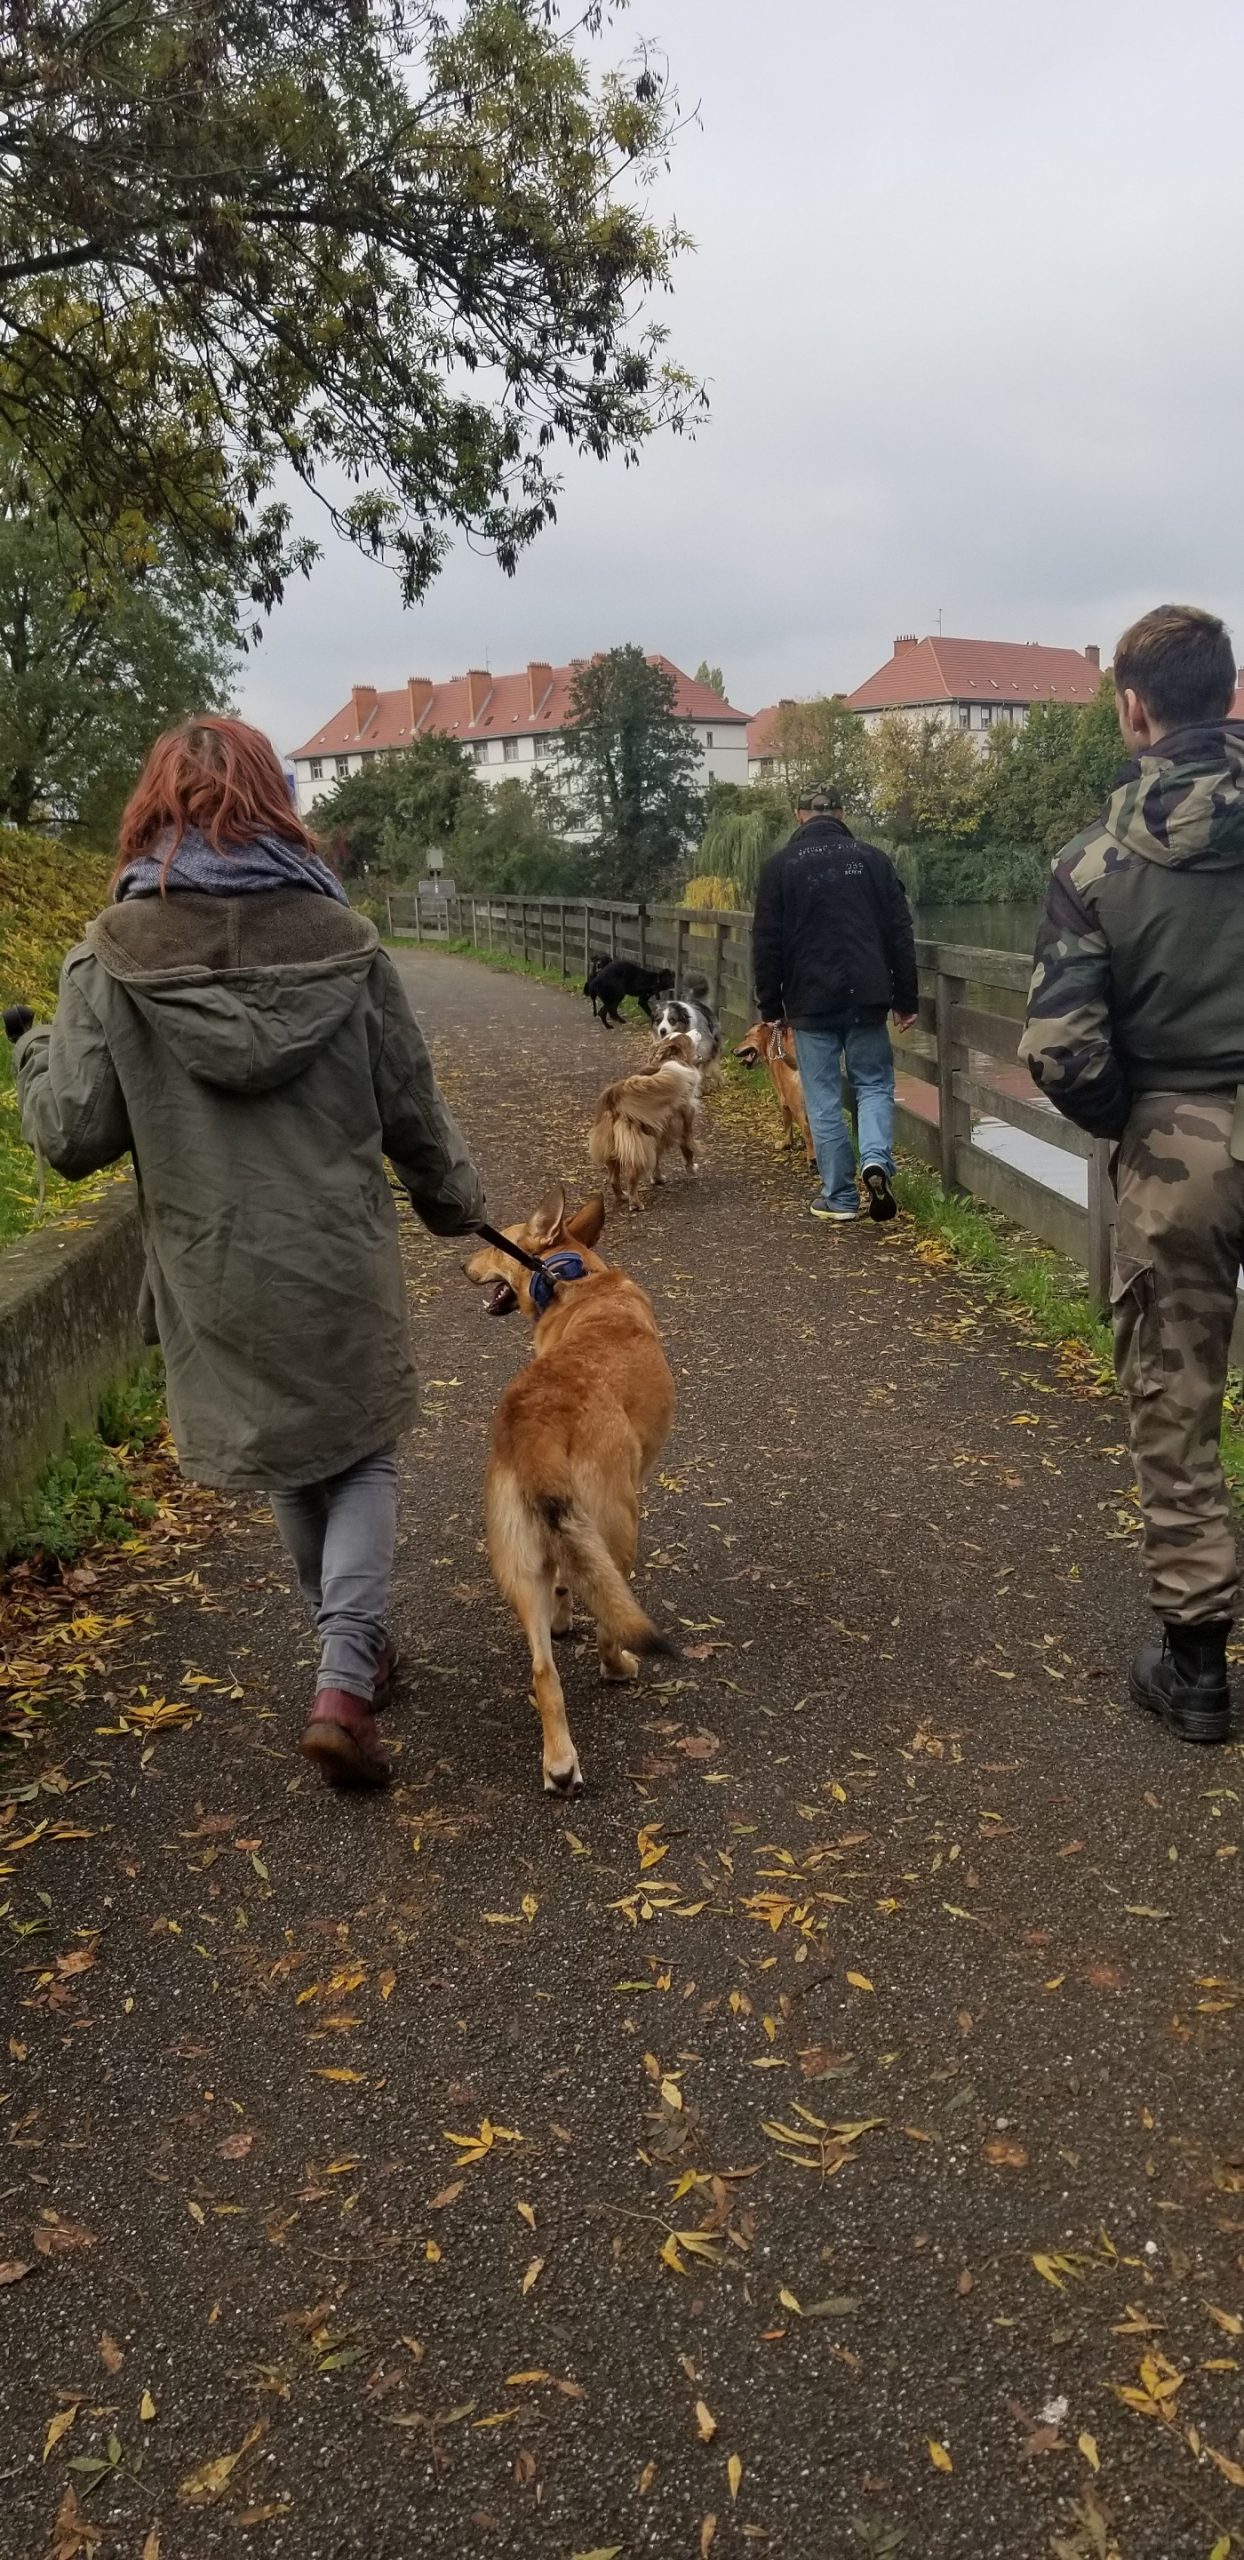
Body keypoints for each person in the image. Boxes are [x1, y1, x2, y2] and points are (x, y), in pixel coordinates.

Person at [4, 715, 484, 1790]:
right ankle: (345, 1671)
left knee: (288, 1450)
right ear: (275, 803)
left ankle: (348, 1657)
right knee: (356, 1449)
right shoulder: (346, 942)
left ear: (152, 812)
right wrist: (459, 1206)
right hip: (336, 1255)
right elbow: (411, 1106)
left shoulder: (106, 959)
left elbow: (70, 1133)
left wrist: (36, 1049)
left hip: (210, 1267)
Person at [1019, 604, 1244, 1746]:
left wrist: (1140, 1121)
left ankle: (1197, 1668)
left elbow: (1059, 1047)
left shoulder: (1091, 864)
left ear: (1132, 709)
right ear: (1233, 696)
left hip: (1176, 1152)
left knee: (1177, 1397)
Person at [752, 783, 918, 1222]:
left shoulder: (779, 867)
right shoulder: (874, 860)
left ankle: (840, 1197)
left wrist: (769, 1008)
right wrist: (906, 997)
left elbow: (766, 942)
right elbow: (900, 931)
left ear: (798, 814)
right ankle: (875, 1159)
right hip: (868, 995)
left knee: (823, 1095)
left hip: (808, 1002)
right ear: (842, 813)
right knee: (874, 1083)